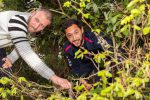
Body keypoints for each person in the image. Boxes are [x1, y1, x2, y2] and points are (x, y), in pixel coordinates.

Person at [0, 8, 71, 89]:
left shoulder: (32, 32)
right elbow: (26, 52)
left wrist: (11, 58)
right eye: (36, 20)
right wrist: (54, 77)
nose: (36, 26)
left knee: (4, 74)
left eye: (42, 25)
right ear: (32, 13)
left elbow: (20, 46)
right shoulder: (18, 20)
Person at [62, 19, 114, 89]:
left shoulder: (94, 37)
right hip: (87, 68)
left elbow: (114, 51)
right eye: (69, 36)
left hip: (104, 63)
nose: (74, 38)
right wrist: (82, 79)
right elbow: (75, 67)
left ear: (82, 30)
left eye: (76, 32)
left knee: (101, 85)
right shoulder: (68, 48)